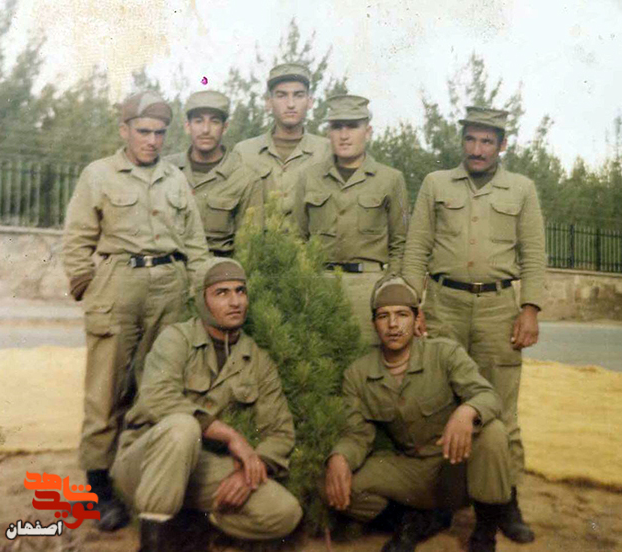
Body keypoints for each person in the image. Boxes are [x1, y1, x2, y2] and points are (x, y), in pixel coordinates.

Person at [62, 91, 210, 531]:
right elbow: (77, 239)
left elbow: (196, 244)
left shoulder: (174, 179)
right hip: (118, 285)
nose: (152, 140)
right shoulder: (99, 174)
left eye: (160, 133)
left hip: (169, 287)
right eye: (143, 131)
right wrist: (91, 286)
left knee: (160, 386)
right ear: (124, 130)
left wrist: (199, 292)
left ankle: (145, 480)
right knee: (105, 392)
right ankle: (98, 491)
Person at [401, 106, 545, 543]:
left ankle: (504, 502)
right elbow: (417, 247)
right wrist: (412, 303)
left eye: (487, 141)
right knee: (438, 401)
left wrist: (530, 308)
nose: (477, 149)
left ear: (502, 145)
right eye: (471, 139)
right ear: (461, 140)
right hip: (444, 304)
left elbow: (533, 253)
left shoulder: (521, 189)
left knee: (501, 407)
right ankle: (439, 503)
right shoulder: (436, 184)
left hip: (499, 308)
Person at [111, 258, 302, 551]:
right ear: (202, 300)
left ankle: (195, 526)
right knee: (182, 426)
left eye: (240, 291)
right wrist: (229, 435)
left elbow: (281, 432)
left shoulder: (257, 359)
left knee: (284, 512)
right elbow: (158, 398)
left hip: (200, 469)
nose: (235, 301)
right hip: (145, 466)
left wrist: (252, 469)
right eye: (222, 293)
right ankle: (153, 545)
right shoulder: (175, 339)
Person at [324, 276, 515, 552]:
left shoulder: (444, 353)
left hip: (454, 465)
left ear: (417, 319)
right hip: (412, 470)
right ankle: (416, 520)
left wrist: (467, 410)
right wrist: (340, 457)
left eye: (402, 314)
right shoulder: (358, 373)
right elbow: (357, 434)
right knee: (338, 485)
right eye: (383, 316)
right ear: (374, 323)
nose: (393, 324)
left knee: (493, 433)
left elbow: (489, 396)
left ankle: (485, 533)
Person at [292, 95, 410, 344]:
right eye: (337, 127)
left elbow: (400, 243)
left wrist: (388, 289)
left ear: (368, 131)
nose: (344, 135)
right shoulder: (309, 178)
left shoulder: (390, 179)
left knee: (369, 360)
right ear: (328, 132)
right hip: (320, 287)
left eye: (353, 126)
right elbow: (297, 237)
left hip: (369, 291)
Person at [164, 90, 256, 257]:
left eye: (214, 121)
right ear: (187, 126)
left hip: (218, 268)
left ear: (225, 127)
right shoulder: (166, 169)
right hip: (170, 267)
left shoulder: (244, 177)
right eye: (198, 121)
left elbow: (248, 246)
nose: (205, 130)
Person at [232, 62, 330, 209]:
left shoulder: (327, 151)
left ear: (310, 102)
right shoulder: (244, 153)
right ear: (268, 103)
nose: (290, 104)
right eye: (281, 95)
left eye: (298, 95)